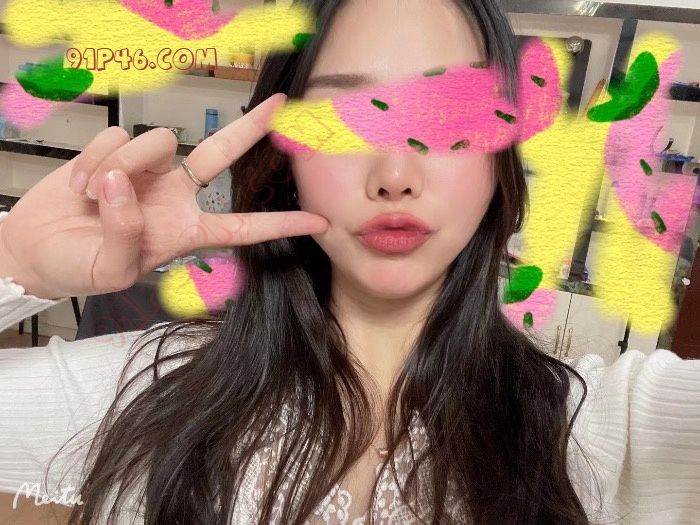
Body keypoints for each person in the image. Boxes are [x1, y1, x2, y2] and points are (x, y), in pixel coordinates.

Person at [0, 0, 699, 523]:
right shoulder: (144, 393)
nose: (394, 175)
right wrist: (17, 260)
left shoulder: (604, 424)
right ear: (285, 158)